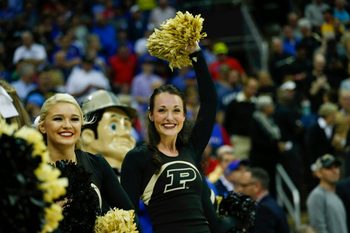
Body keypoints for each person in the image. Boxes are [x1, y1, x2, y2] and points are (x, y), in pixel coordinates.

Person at [121, 44, 236, 232]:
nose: (169, 117)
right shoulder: (138, 157)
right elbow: (127, 217)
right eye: (162, 110)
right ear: (151, 115)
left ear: (184, 116)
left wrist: (196, 54)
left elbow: (209, 102)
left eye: (176, 111)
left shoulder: (191, 148)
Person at [36, 93, 134, 215]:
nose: (67, 125)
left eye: (74, 119)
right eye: (58, 119)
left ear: (81, 125)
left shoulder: (98, 164)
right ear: (42, 126)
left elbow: (129, 215)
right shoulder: (32, 169)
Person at [81, 90, 137, 175]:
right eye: (113, 126)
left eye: (126, 126)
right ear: (88, 136)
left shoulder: (139, 178)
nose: (126, 133)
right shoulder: (78, 181)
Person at [235, 167, 290, 233]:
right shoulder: (270, 204)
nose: (239, 189)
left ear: (256, 186)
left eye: (243, 185)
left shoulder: (263, 210)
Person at [307, 154, 347, 233]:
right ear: (319, 173)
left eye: (336, 166)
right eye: (329, 168)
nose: (334, 170)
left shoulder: (335, 195)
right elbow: (318, 229)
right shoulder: (317, 195)